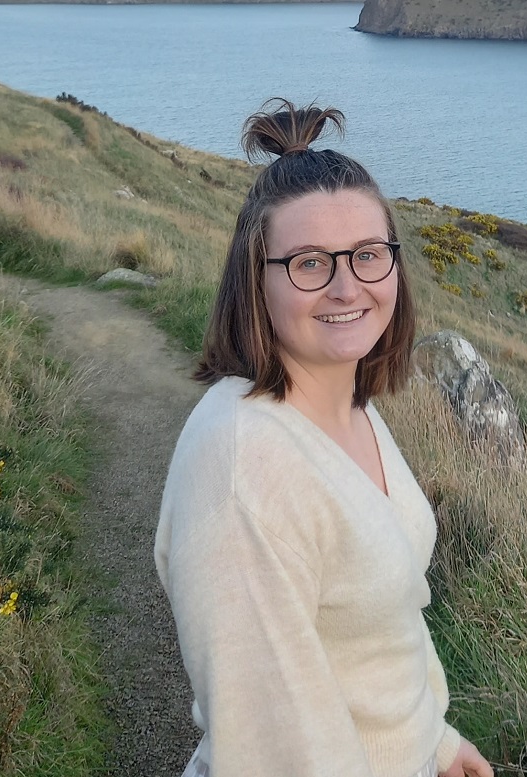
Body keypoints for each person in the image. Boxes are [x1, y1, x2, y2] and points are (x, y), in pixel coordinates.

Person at [154, 99, 493, 777]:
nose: (347, 286)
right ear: (257, 281)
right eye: (310, 263)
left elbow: (390, 617)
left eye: (368, 255)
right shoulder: (243, 464)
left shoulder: (351, 406)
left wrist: (437, 739)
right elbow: (273, 745)